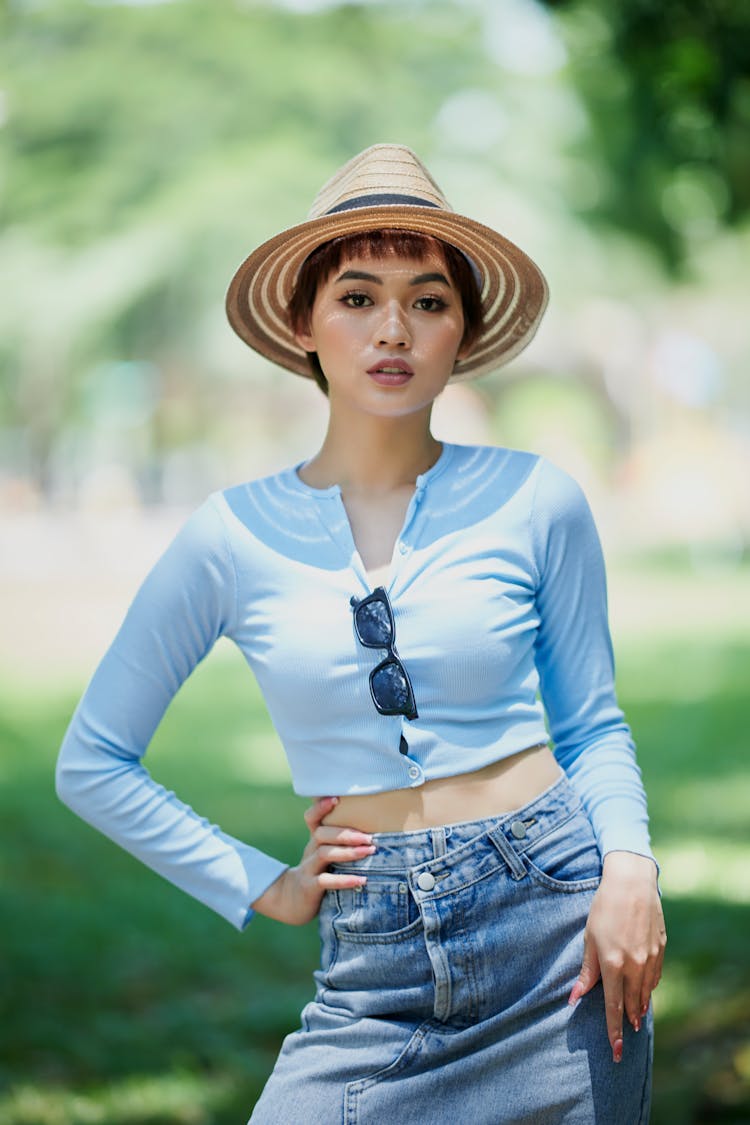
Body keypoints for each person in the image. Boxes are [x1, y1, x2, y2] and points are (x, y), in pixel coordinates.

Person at [56, 143, 666, 1123]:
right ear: (304, 321)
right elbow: (92, 762)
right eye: (357, 297)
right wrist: (265, 885)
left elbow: (592, 725)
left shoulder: (536, 501)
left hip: (560, 932)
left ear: (462, 329)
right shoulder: (229, 535)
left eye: (429, 301)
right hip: (373, 956)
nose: (395, 330)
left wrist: (631, 872)